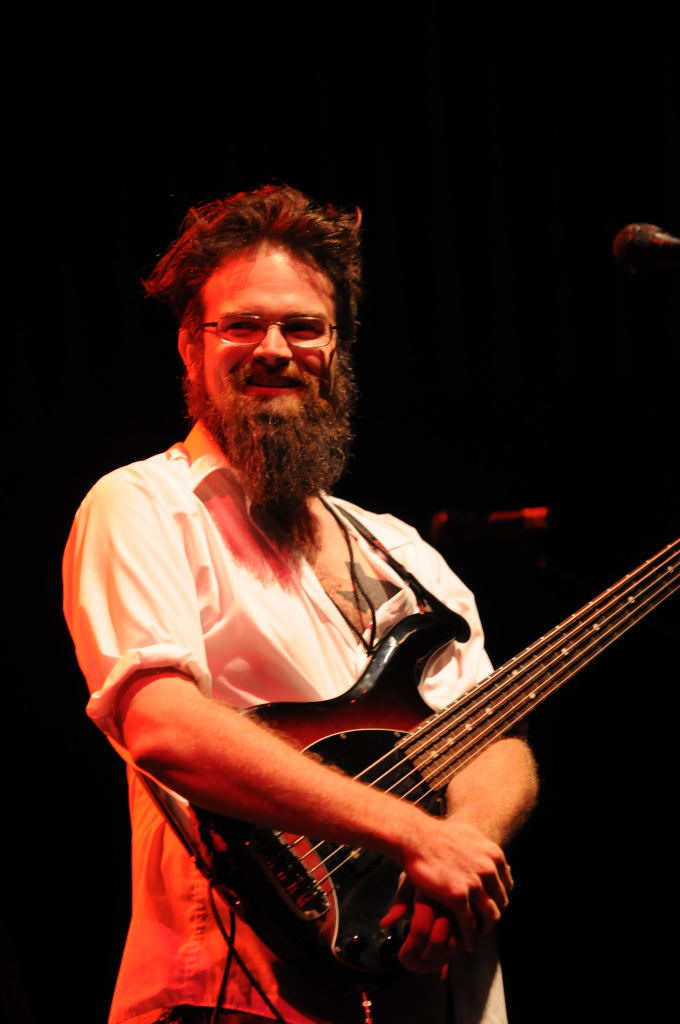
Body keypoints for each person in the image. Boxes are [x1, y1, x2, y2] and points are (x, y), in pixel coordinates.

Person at [63, 185, 538, 1024]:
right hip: (232, 990)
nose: (275, 349)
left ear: (337, 348)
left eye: (304, 327)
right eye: (242, 325)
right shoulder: (142, 505)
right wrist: (413, 833)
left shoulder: (399, 547)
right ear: (190, 347)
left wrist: (464, 841)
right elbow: (164, 725)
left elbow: (492, 734)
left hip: (426, 986)